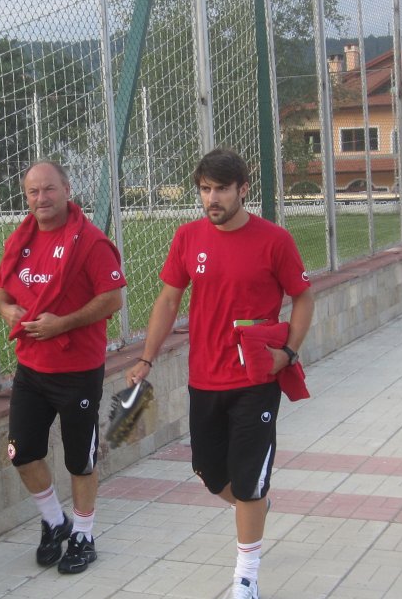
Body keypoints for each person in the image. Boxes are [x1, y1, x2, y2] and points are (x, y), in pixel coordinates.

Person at [126, 148, 314, 599]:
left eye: (221, 190)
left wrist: (287, 353)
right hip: (204, 378)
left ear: (242, 190)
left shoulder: (274, 240)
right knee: (211, 473)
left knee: (248, 479)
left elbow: (304, 298)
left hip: (255, 380)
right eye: (205, 189)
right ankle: (256, 504)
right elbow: (169, 300)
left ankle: (245, 577)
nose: (212, 199)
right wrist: (146, 358)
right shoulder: (188, 237)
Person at [0, 160, 126, 574]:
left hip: (77, 371)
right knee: (21, 453)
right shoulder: (22, 237)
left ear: (67, 189)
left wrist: (62, 323)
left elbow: (113, 298)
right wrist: (8, 310)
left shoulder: (90, 242)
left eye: (48, 190)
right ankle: (55, 521)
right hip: (31, 370)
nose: (41, 199)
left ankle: (84, 534)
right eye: (33, 192)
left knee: (79, 460)